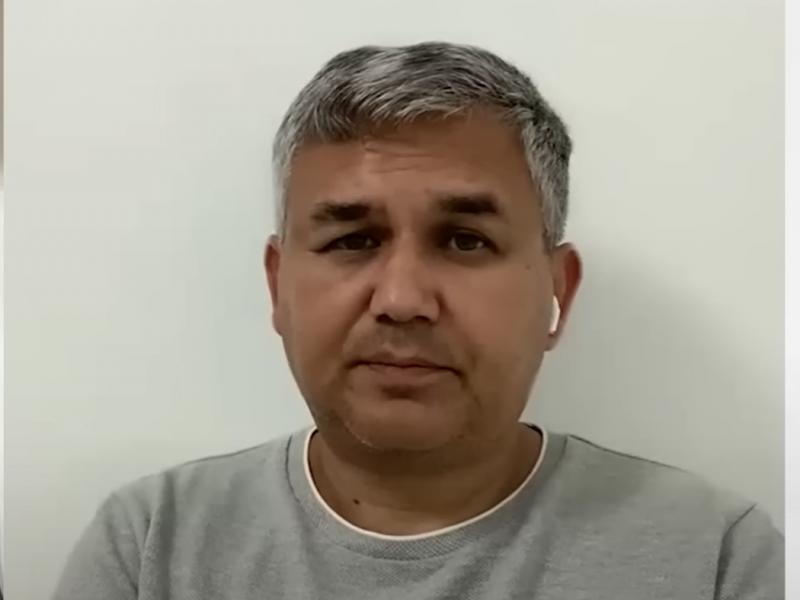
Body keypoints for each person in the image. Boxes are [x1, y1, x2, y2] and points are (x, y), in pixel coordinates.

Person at [53, 41, 784, 599]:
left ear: (557, 292)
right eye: (352, 240)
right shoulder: (151, 548)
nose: (402, 299)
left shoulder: (714, 558)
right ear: (278, 287)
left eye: (465, 241)